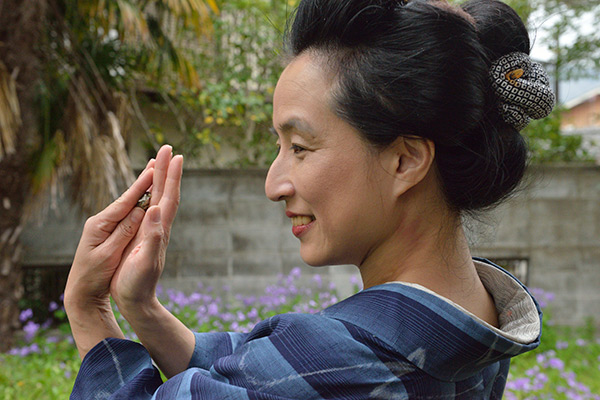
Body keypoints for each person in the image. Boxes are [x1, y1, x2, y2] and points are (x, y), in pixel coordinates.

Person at [66, 0, 553, 398]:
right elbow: (254, 372)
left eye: (299, 147)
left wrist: (89, 311)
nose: (273, 184)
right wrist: (142, 307)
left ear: (405, 161)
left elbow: (283, 378)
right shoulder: (476, 315)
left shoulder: (345, 356)